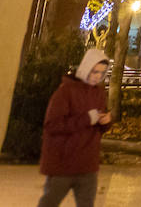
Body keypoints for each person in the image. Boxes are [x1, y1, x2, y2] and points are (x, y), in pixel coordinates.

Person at [37, 48, 113, 207]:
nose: (97, 76)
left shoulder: (99, 93)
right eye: (94, 71)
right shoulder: (65, 92)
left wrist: (105, 123)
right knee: (49, 203)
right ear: (85, 68)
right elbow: (52, 125)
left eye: (101, 72)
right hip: (63, 164)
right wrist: (87, 118)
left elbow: (97, 127)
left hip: (88, 165)